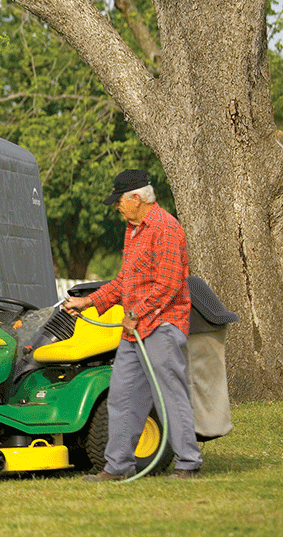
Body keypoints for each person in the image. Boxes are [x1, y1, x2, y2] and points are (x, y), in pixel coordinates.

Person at [63, 169, 202, 481]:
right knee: (122, 396)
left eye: (119, 201)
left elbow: (167, 284)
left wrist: (137, 313)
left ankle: (189, 464)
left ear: (136, 198)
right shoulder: (134, 230)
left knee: (170, 396)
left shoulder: (165, 229)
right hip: (134, 331)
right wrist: (88, 302)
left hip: (162, 326)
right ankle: (117, 467)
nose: (116, 207)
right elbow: (125, 282)